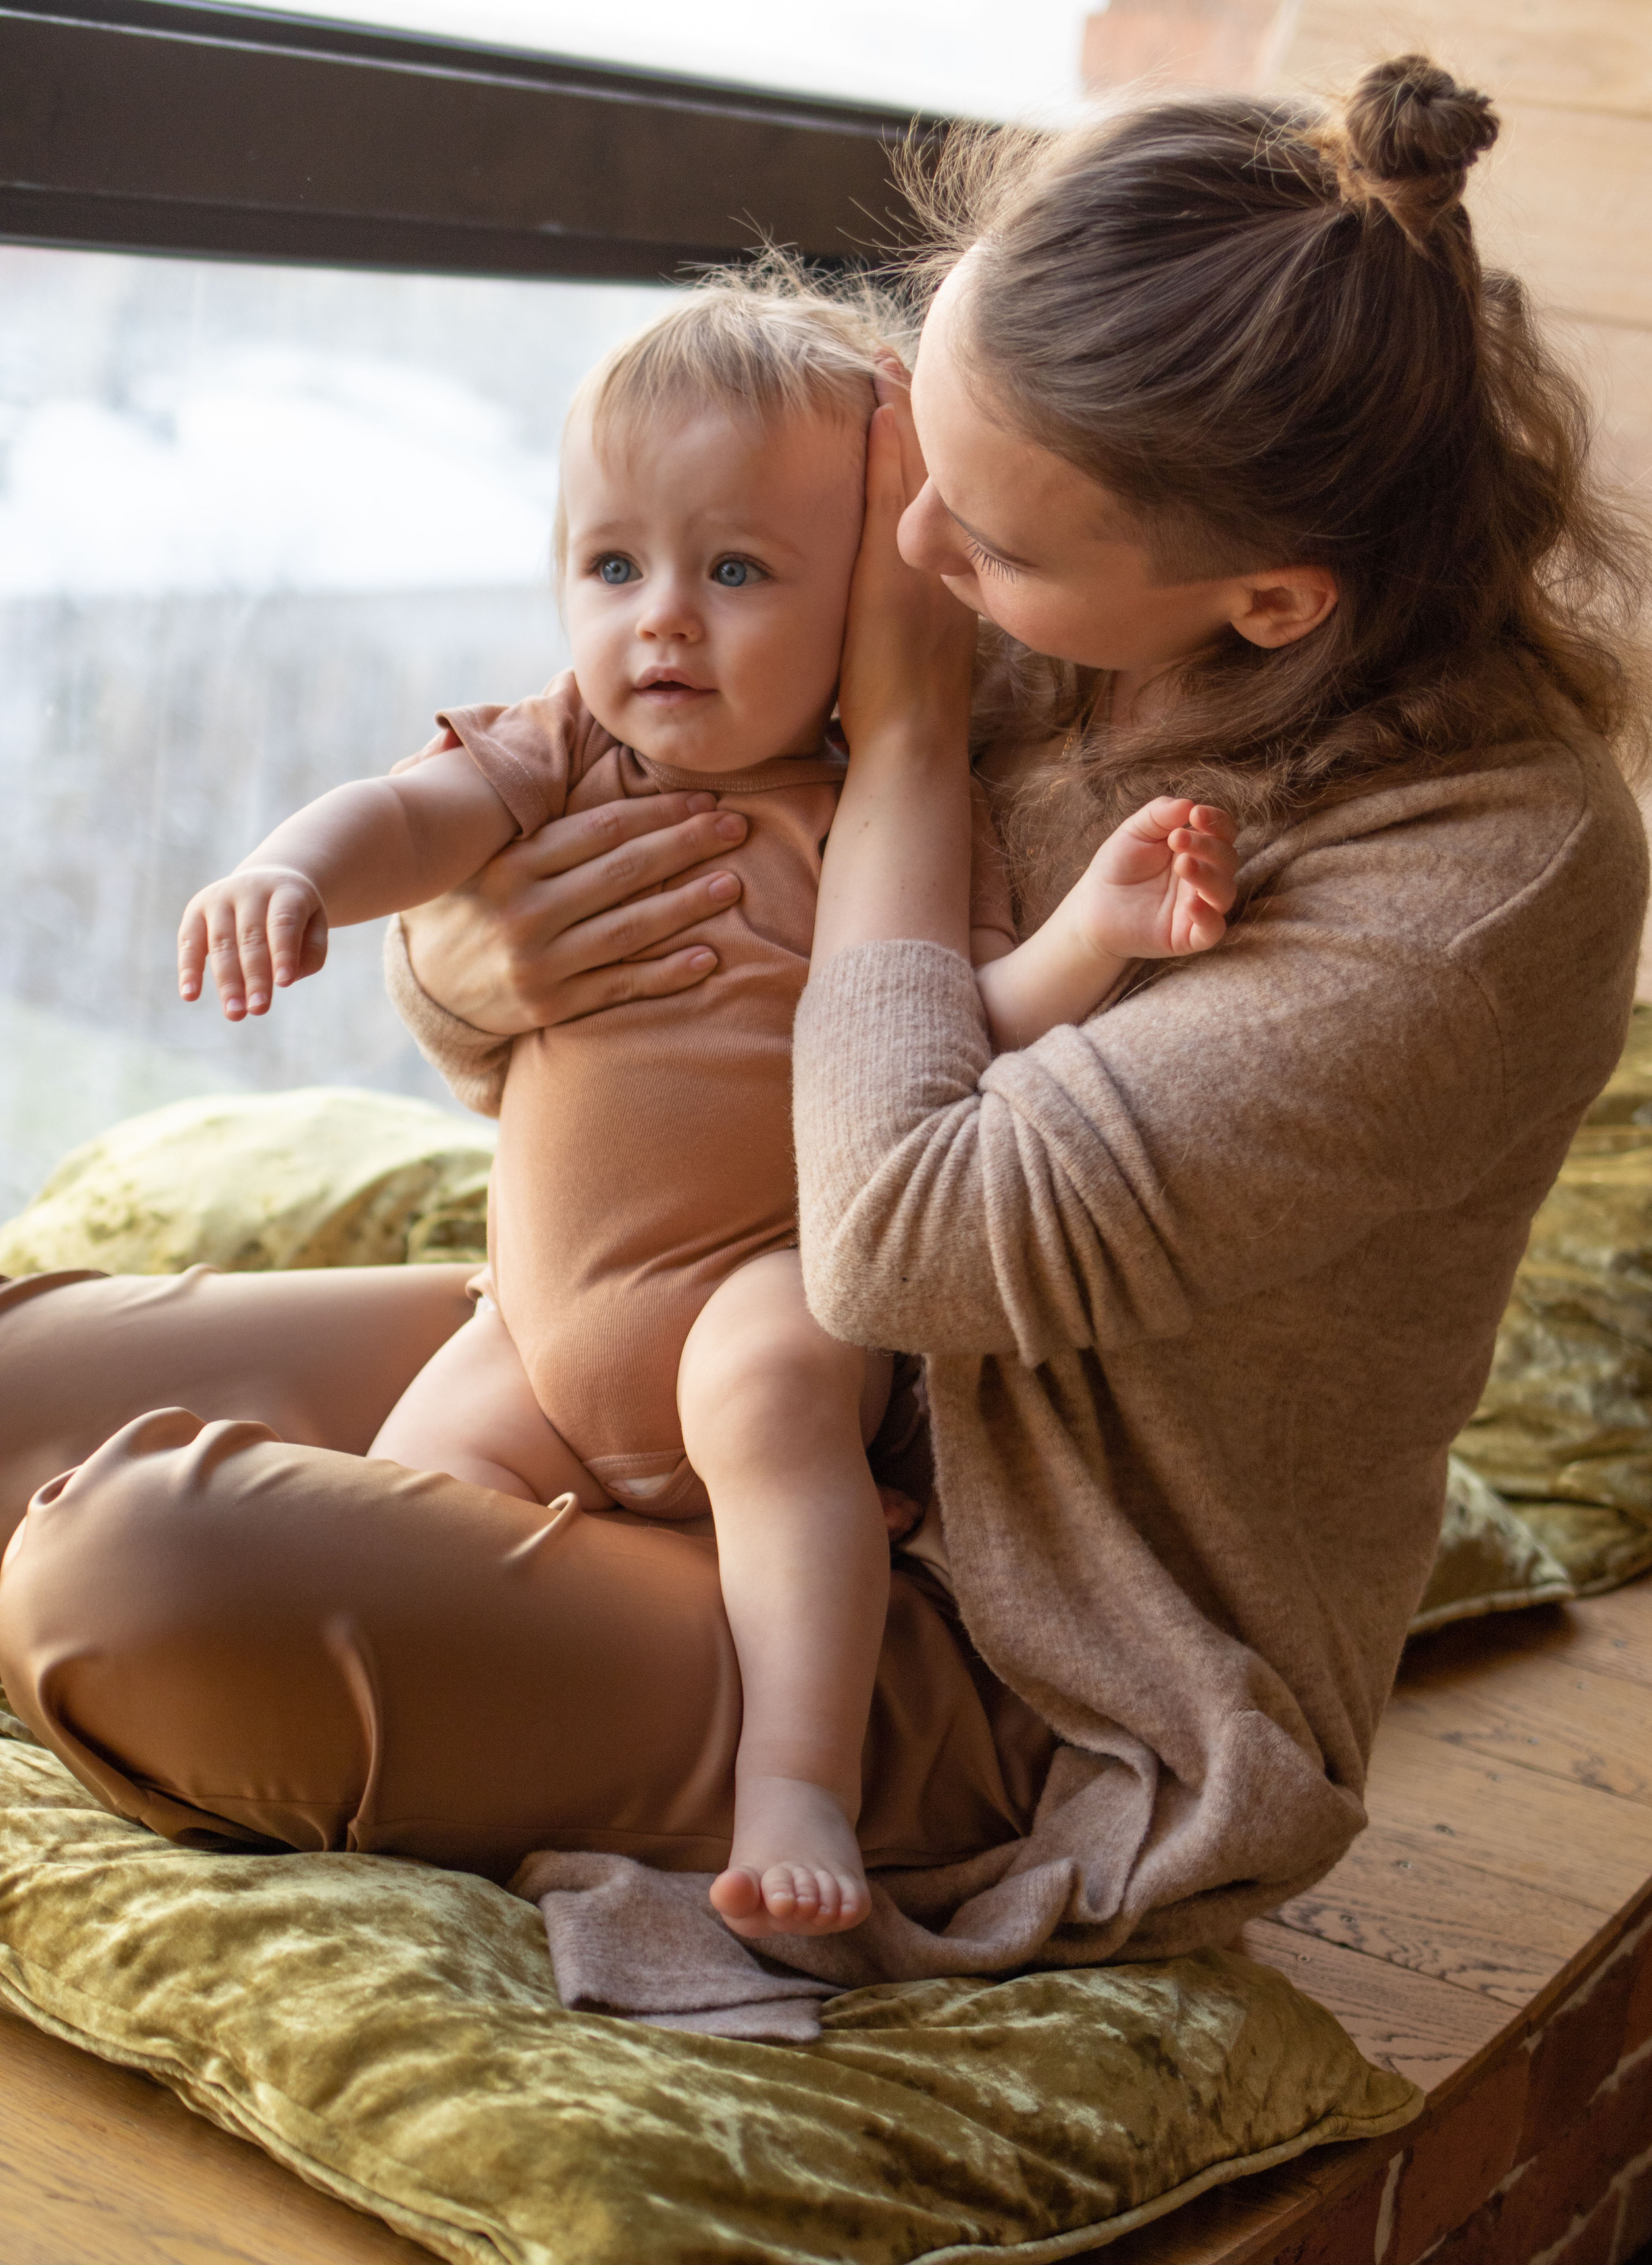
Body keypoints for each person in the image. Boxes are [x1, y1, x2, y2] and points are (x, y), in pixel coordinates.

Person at [0, 56, 1652, 1996]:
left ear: (1275, 601)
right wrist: (487, 963)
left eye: (1000, 541)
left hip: (997, 1626)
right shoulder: (1028, 534)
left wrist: (900, 760)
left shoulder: (1478, 870)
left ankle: (737, 1742)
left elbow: (899, 1239)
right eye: (922, 469)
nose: (924, 555)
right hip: (630, 1322)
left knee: (138, 1580)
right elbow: (598, 882)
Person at [167, 282, 1239, 1937]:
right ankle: (439, 1747)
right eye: (614, 566)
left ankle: (792, 1776)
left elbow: (963, 1034)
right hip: (534, 1337)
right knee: (391, 1506)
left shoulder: (883, 820)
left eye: (735, 571)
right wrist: (294, 869)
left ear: (872, 611)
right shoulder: (568, 753)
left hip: (760, 1287)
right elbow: (408, 810)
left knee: (761, 1384)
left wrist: (1090, 936)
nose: (659, 620)